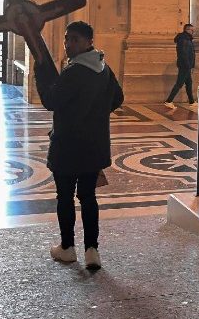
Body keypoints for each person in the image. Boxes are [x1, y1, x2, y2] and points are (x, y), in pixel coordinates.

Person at [34, 21, 124, 269]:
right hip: (93, 146)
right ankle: (92, 250)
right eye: (66, 39)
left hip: (67, 145)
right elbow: (118, 97)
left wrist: (40, 72)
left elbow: (51, 100)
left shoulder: (74, 72)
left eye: (74, 39)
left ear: (88, 42)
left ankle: (67, 248)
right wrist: (96, 115)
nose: (68, 44)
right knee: (88, 197)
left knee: (64, 197)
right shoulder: (103, 68)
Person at [164, 23, 196, 108]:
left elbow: (190, 53)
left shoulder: (187, 39)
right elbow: (184, 53)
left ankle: (191, 101)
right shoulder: (184, 39)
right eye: (192, 30)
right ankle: (169, 101)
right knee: (179, 83)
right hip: (185, 65)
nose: (193, 32)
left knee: (189, 83)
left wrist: (191, 65)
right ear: (187, 30)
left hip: (187, 65)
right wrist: (188, 65)